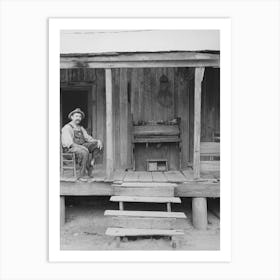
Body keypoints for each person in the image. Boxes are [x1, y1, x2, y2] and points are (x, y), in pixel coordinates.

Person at [61, 108, 103, 180]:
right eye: (77, 116)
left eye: (80, 117)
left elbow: (87, 138)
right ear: (72, 117)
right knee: (84, 151)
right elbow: (68, 143)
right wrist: (82, 147)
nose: (79, 118)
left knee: (97, 145)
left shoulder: (81, 128)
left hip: (81, 145)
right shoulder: (67, 127)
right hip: (70, 148)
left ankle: (90, 164)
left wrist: (97, 141)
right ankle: (82, 175)